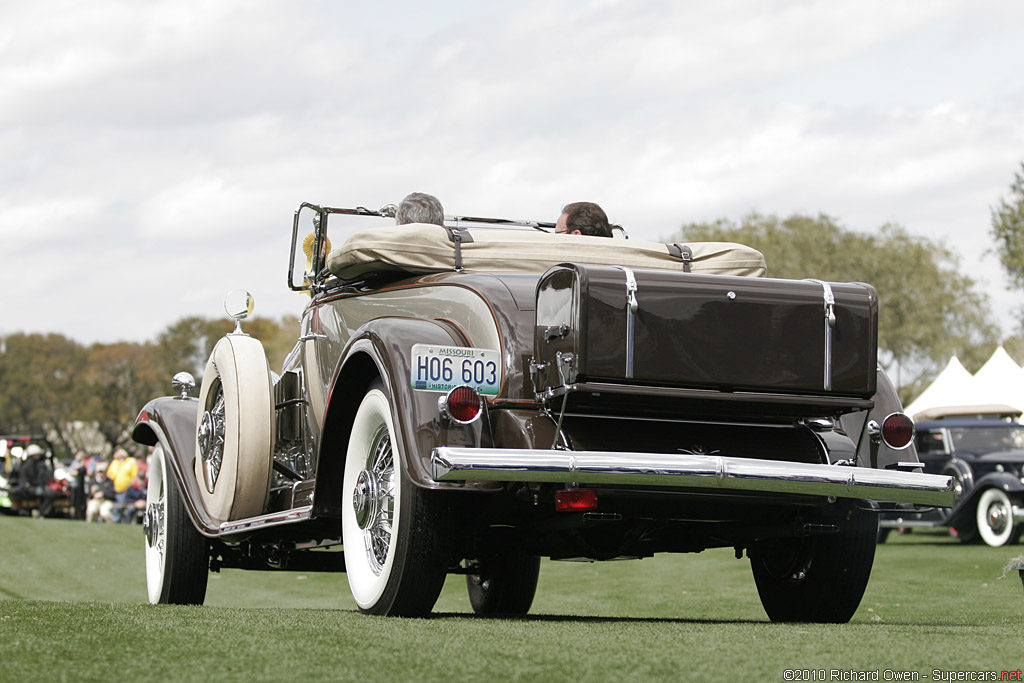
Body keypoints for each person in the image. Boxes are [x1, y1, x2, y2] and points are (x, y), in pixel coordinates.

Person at [18, 444, 59, 518]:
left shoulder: (39, 465)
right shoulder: (28, 466)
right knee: (49, 494)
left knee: (50, 493)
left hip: (37, 487)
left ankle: (41, 511)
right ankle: (41, 512)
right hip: (31, 488)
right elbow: (26, 480)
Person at [107, 448, 139, 523]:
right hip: (115, 489)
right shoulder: (115, 462)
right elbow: (109, 474)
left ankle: (123, 521)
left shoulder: (130, 462)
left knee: (123, 506)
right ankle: (116, 521)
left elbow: (134, 476)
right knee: (116, 506)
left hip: (126, 489)